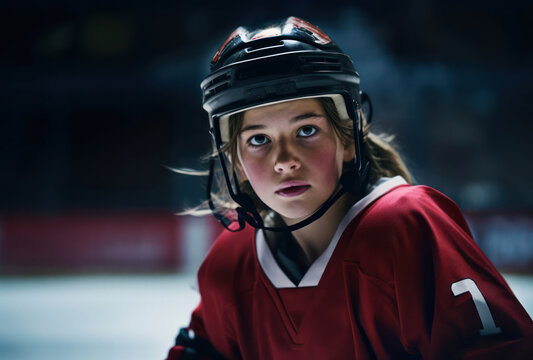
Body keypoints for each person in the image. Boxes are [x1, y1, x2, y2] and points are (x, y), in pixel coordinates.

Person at [166, 17, 532, 360]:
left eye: (306, 130)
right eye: (259, 139)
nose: (284, 160)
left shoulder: (405, 225)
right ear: (235, 161)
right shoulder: (232, 260)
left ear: (349, 140)